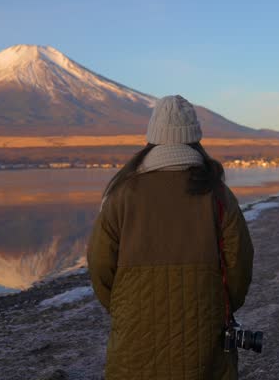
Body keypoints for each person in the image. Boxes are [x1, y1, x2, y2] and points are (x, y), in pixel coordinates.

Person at [87, 95, 254, 379]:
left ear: (152, 137)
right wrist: (218, 305)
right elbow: (239, 264)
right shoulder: (217, 194)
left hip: (133, 334)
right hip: (204, 334)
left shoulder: (121, 194)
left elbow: (100, 266)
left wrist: (123, 306)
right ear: (194, 138)